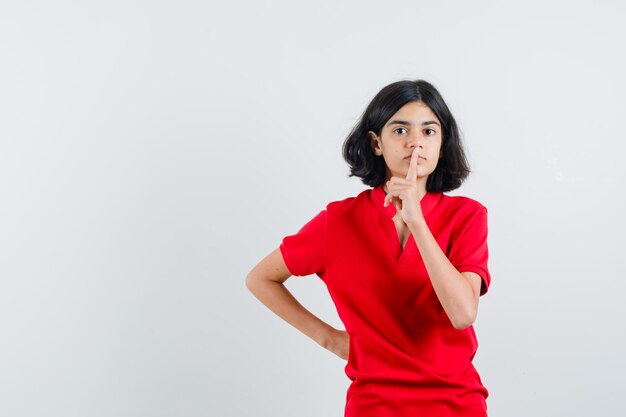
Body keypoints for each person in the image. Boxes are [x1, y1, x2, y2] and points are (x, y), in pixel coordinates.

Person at [246, 79, 492, 416]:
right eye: (401, 130)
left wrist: (417, 223)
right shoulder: (338, 221)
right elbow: (260, 278)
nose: (416, 142)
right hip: (373, 402)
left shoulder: (467, 216)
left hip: (456, 401)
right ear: (376, 142)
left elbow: (463, 314)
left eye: (429, 131)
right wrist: (331, 340)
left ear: (442, 143)